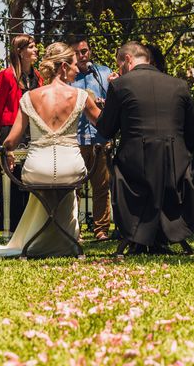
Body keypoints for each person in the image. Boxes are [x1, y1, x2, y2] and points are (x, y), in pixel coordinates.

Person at [0, 43, 102, 258]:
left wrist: (7, 151)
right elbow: (104, 124)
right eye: (73, 65)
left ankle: (41, 239)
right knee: (66, 183)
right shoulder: (81, 96)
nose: (78, 69)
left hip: (36, 170)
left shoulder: (29, 97)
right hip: (72, 169)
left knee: (45, 183)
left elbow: (11, 141)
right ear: (62, 67)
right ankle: (64, 241)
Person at [96, 41, 194, 253]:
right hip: (175, 168)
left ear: (128, 60)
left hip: (135, 169)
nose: (119, 70)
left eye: (119, 64)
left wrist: (90, 109)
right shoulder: (179, 85)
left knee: (118, 161)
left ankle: (139, 235)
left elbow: (106, 130)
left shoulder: (120, 86)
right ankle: (164, 235)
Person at [0, 34, 43, 232]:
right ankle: (11, 227)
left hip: (33, 131)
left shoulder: (38, 77)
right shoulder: (7, 75)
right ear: (20, 52)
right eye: (31, 47)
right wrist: (7, 132)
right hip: (11, 130)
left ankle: (30, 226)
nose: (35, 50)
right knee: (12, 179)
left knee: (30, 177)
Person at [69, 36, 113, 241]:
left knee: (102, 186)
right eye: (77, 52)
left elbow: (116, 100)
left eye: (85, 50)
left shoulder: (103, 72)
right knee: (74, 188)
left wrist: (106, 104)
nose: (82, 55)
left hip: (99, 138)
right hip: (75, 140)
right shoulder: (69, 76)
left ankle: (101, 230)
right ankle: (73, 230)